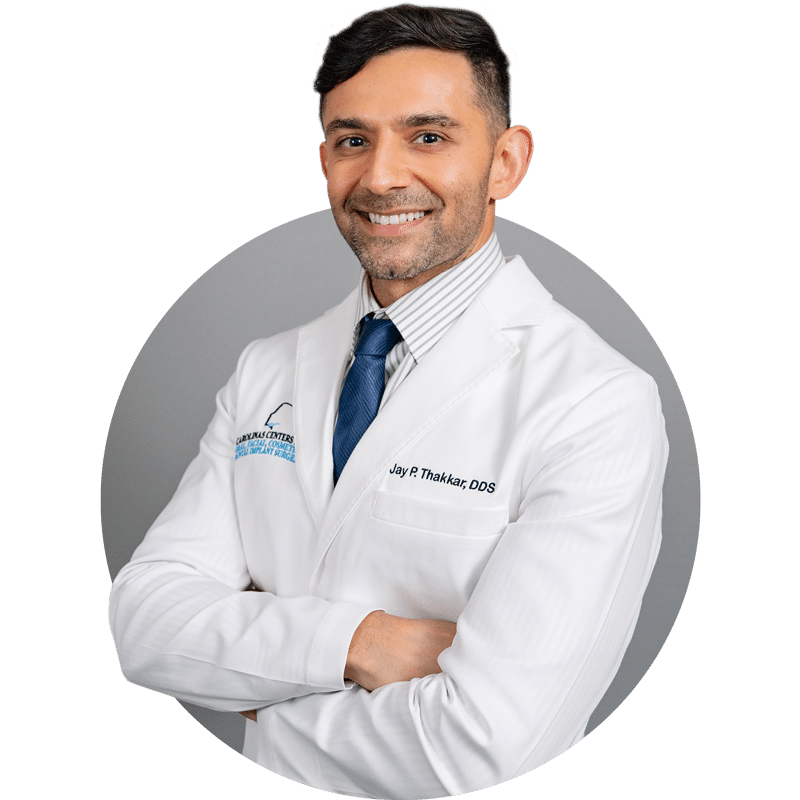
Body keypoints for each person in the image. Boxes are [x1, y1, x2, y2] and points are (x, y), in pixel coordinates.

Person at [108, 5, 668, 799]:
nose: (381, 177)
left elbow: (488, 749)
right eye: (352, 139)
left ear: (506, 162)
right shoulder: (265, 371)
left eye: (429, 136)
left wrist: (265, 710)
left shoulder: (594, 403)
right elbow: (144, 627)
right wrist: (361, 642)